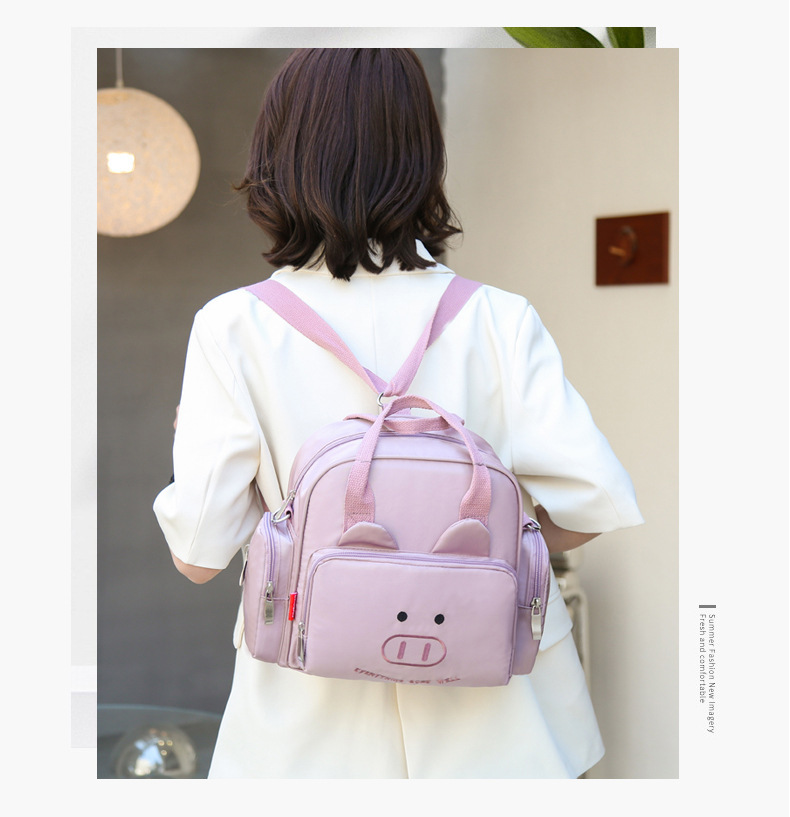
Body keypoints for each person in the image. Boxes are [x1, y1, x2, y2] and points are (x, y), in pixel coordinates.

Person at [153, 48, 643, 779]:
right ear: (423, 154)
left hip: (310, 732)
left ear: (279, 156)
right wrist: (470, 552)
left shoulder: (234, 327)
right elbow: (591, 501)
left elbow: (199, 555)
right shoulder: (499, 319)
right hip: (503, 728)